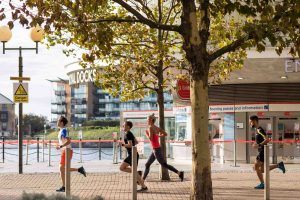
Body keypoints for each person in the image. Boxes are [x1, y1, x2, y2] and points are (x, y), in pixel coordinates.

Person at [141, 114, 184, 189]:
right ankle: (142, 180)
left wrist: (147, 134)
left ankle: (179, 173)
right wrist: (158, 136)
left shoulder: (150, 127)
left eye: (147, 119)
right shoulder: (156, 128)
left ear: (151, 120)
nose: (147, 121)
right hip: (156, 149)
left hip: (156, 150)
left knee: (164, 165)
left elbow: (150, 139)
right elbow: (165, 134)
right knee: (147, 164)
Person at [249, 115, 286, 189]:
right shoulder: (257, 130)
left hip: (262, 151)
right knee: (262, 169)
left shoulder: (260, 129)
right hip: (261, 151)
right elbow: (261, 140)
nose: (250, 124)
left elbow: (267, 139)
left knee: (256, 167)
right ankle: (278, 165)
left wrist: (259, 144)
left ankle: (262, 184)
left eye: (250, 122)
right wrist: (255, 143)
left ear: (254, 121)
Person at [56, 116, 86, 192]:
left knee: (62, 168)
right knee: (61, 169)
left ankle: (64, 187)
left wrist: (61, 146)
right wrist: (59, 146)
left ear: (62, 122)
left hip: (68, 151)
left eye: (58, 121)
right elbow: (63, 142)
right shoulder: (60, 131)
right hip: (64, 151)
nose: (57, 122)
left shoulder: (64, 130)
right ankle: (79, 170)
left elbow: (69, 141)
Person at [119, 121, 148, 192]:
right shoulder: (129, 133)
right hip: (132, 154)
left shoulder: (128, 134)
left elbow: (130, 145)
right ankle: (137, 174)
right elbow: (136, 142)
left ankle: (144, 187)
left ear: (128, 126)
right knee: (123, 168)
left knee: (122, 168)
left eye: (124, 125)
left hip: (132, 154)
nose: (123, 126)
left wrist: (122, 145)